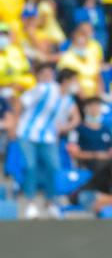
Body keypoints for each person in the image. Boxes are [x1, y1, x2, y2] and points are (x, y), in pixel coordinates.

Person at [14, 65, 78, 219]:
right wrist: (15, 123)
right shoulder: (45, 89)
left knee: (54, 167)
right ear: (66, 81)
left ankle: (50, 202)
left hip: (48, 138)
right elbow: (21, 102)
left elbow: (73, 118)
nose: (77, 84)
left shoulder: (68, 99)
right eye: (75, 81)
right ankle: (30, 203)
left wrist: (64, 127)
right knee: (30, 166)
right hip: (27, 133)